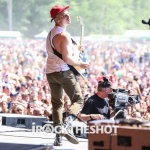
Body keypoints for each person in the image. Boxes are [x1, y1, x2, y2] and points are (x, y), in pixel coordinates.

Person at [46, 5, 90, 146]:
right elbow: (67, 59)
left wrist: (77, 50)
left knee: (57, 104)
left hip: (50, 72)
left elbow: (60, 52)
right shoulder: (65, 35)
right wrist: (80, 64)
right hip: (64, 72)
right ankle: (67, 124)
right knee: (78, 99)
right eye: (65, 15)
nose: (68, 16)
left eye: (68, 14)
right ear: (57, 19)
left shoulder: (50, 33)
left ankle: (58, 136)